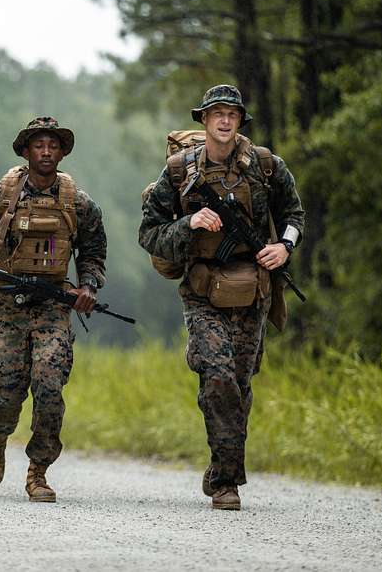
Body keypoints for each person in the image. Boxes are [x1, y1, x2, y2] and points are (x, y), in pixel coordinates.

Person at [138, 85, 305, 510]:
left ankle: (219, 466)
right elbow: (149, 233)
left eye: (232, 113)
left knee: (240, 385)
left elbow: (294, 216)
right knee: (217, 376)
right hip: (202, 291)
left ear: (240, 120)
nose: (225, 121)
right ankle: (229, 483)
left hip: (255, 289)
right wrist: (190, 223)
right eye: (217, 114)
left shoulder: (265, 166)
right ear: (204, 120)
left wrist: (284, 246)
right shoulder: (179, 172)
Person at [0, 116, 107, 503]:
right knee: (6, 392)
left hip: (53, 306)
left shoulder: (79, 203)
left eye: (52, 146)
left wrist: (88, 287)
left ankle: (38, 471)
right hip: (6, 304)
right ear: (26, 151)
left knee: (50, 386)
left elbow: (93, 254)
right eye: (38, 145)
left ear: (61, 152)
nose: (45, 151)